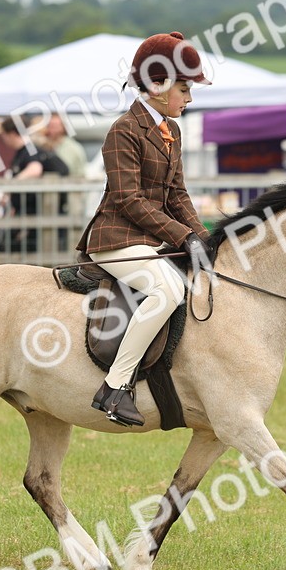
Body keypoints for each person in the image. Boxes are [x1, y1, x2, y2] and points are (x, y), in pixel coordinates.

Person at [74, 31, 212, 427]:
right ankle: (115, 388)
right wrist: (181, 236)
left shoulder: (173, 131)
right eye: (184, 89)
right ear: (155, 86)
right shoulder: (124, 130)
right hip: (115, 239)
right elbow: (128, 200)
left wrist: (203, 236)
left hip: (149, 239)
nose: (189, 99)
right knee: (167, 289)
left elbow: (178, 194)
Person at [0, 116, 69, 253]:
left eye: (4, 135)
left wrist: (9, 188)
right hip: (32, 213)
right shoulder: (26, 151)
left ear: (12, 134)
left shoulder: (29, 150)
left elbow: (35, 169)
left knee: (15, 248)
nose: (3, 139)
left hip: (37, 213)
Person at [44, 115, 88, 179]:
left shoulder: (69, 147)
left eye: (54, 126)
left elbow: (62, 170)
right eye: (49, 126)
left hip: (73, 185)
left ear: (63, 128)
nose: (50, 130)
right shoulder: (53, 146)